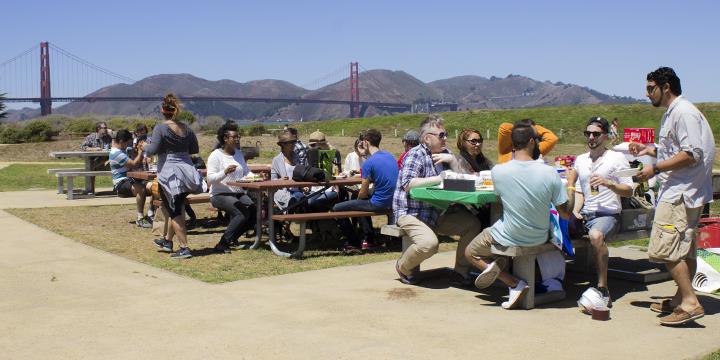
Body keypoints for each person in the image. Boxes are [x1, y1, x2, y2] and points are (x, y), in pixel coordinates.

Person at [630, 67, 715, 326]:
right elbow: (675, 151)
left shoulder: (683, 112)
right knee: (683, 249)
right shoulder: (675, 113)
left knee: (664, 250)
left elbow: (691, 154)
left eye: (650, 88)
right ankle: (680, 298)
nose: (646, 94)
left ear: (666, 87)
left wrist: (653, 168)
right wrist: (649, 150)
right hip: (684, 191)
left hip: (680, 193)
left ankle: (690, 302)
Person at [464, 120, 573, 309]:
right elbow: (565, 213)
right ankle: (502, 265)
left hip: (509, 234)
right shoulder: (550, 173)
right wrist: (571, 184)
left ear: (513, 144)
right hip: (539, 235)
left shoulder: (498, 171)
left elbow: (499, 196)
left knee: (470, 252)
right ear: (532, 142)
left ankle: (512, 282)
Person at [393, 114, 483, 285]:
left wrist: (453, 162)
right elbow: (408, 183)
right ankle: (403, 267)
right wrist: (439, 178)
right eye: (441, 135)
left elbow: (466, 180)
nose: (445, 138)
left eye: (446, 134)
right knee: (429, 244)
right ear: (427, 138)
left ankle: (460, 273)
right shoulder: (415, 154)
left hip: (438, 212)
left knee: (473, 225)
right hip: (411, 212)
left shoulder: (446, 153)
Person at [569, 117, 633, 309]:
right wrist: (575, 210)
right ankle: (549, 282)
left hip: (607, 215)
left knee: (596, 235)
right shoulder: (580, 160)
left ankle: (602, 288)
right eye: (587, 133)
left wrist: (609, 184)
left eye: (596, 134)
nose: (591, 137)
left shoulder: (616, 158)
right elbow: (581, 191)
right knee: (552, 229)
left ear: (605, 136)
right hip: (586, 214)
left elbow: (629, 190)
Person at [145, 93, 203, 259]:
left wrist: (144, 147)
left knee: (174, 209)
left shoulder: (160, 128)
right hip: (187, 171)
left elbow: (153, 149)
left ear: (162, 110)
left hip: (169, 172)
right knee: (175, 205)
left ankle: (184, 247)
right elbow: (194, 150)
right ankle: (167, 241)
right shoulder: (187, 129)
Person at [332, 129, 397, 250]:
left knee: (337, 208)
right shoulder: (389, 156)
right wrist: (364, 154)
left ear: (366, 142)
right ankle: (367, 238)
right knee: (359, 203)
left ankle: (354, 242)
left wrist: (357, 200)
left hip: (378, 204)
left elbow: (363, 193)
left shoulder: (369, 163)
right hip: (392, 201)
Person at [206, 122, 257, 254]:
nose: (237, 139)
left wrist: (256, 177)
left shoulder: (239, 154)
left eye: (238, 137)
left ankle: (232, 238)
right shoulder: (215, 155)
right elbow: (210, 179)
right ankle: (222, 244)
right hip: (220, 194)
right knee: (241, 213)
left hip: (238, 192)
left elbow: (246, 172)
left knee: (254, 211)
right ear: (225, 139)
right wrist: (225, 172)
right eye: (234, 137)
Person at [108, 129, 154, 228]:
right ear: (121, 142)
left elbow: (133, 153)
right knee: (140, 189)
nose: (128, 145)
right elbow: (134, 164)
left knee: (155, 186)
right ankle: (140, 218)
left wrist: (138, 149)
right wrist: (141, 151)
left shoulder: (123, 149)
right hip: (120, 183)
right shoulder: (116, 153)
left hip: (131, 179)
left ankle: (151, 214)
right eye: (128, 142)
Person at [271, 130, 306, 210]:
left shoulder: (296, 157)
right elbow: (272, 180)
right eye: (291, 142)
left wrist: (303, 185)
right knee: (299, 200)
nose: (294, 144)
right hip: (284, 192)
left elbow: (300, 174)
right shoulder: (276, 160)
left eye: (294, 142)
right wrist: (281, 180)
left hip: (298, 190)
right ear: (283, 144)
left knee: (304, 199)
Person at [80, 121, 113, 193]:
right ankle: (90, 190)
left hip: (106, 160)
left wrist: (112, 135)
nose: (106, 129)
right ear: (98, 129)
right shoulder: (91, 137)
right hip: (93, 161)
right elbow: (83, 147)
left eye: (106, 128)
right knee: (91, 167)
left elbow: (113, 147)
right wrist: (94, 149)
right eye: (104, 128)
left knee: (118, 165)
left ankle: (118, 189)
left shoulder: (108, 137)